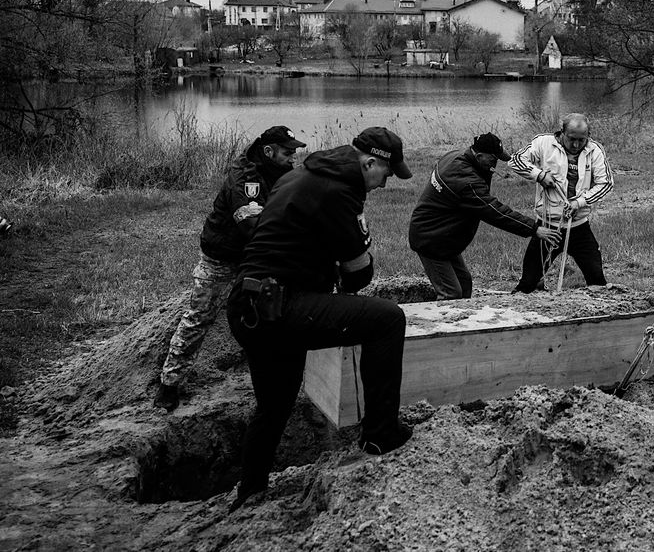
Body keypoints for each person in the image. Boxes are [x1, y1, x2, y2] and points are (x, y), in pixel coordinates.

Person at [225, 126, 414, 510]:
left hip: (251, 307)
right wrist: (355, 250)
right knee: (388, 320)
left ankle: (250, 490)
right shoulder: (341, 190)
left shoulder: (302, 175)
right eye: (387, 174)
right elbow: (358, 274)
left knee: (274, 405)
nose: (386, 182)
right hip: (282, 306)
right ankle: (380, 435)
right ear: (369, 162)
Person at [154, 125, 306, 412]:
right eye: (288, 152)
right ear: (269, 152)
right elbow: (252, 226)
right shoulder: (245, 178)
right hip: (222, 258)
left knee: (274, 313)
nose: (292, 158)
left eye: (295, 152)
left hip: (255, 256)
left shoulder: (284, 173)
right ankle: (169, 384)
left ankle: (275, 378)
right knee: (200, 317)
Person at [407, 133, 561, 299]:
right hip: (431, 240)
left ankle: (464, 323)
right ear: (479, 155)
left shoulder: (455, 156)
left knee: (465, 284)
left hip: (443, 237)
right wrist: (534, 228)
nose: (495, 165)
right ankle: (442, 323)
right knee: (451, 293)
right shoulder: (467, 181)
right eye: (493, 160)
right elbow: (494, 212)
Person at [509, 113, 614, 293]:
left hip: (579, 227)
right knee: (527, 284)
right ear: (562, 132)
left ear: (588, 135)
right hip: (547, 228)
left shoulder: (595, 150)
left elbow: (606, 184)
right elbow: (515, 161)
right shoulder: (543, 143)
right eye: (572, 139)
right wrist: (539, 175)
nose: (576, 145)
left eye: (582, 140)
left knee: (598, 282)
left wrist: (580, 202)